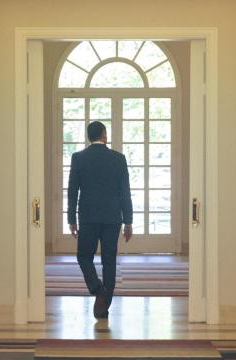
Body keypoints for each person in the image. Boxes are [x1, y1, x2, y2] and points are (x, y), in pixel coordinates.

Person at [67, 121, 133, 319]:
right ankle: (105, 301)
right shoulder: (118, 159)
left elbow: (72, 192)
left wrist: (71, 218)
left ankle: (98, 290)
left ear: (89, 137)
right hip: (113, 217)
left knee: (83, 256)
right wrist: (128, 221)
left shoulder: (78, 158)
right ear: (104, 135)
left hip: (87, 217)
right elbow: (125, 193)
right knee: (109, 260)